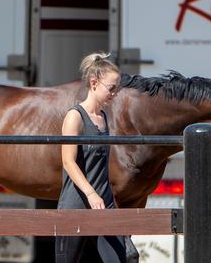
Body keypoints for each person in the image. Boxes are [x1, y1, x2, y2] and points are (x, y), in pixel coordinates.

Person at [55, 52, 127, 263]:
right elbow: (68, 162)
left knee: (119, 258)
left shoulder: (104, 117)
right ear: (94, 83)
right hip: (76, 203)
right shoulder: (75, 117)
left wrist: (104, 196)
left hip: (104, 204)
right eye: (111, 88)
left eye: (117, 88)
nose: (115, 94)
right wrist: (91, 194)